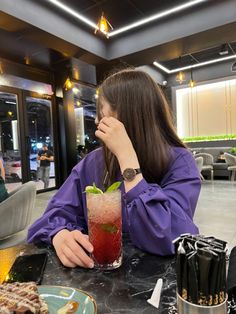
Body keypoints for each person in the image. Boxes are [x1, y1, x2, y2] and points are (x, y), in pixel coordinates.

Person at [28, 69, 201, 268]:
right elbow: (54, 213)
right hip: (97, 276)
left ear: (127, 112)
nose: (96, 120)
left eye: (101, 109)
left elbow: (170, 236)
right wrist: (59, 234)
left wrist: (127, 157)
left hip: (158, 284)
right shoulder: (93, 161)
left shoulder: (180, 161)